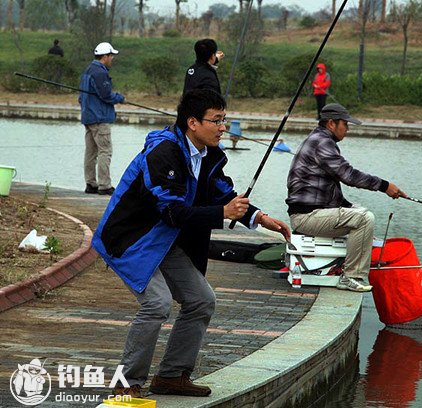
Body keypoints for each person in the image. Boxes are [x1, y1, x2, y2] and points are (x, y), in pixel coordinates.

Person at [92, 88, 290, 398]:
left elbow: (223, 192)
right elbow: (172, 211)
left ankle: (171, 375)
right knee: (157, 303)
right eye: (216, 120)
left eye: (225, 119)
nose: (223, 127)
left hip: (164, 240)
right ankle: (126, 383)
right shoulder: (163, 153)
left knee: (201, 299)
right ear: (193, 123)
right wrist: (220, 214)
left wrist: (260, 218)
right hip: (129, 238)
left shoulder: (208, 155)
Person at [286, 103, 406, 292]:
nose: (347, 129)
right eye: (345, 124)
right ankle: (351, 276)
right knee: (365, 219)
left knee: (358, 212)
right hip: (305, 217)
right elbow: (349, 175)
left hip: (312, 213)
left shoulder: (319, 139)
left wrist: (350, 207)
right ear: (331, 123)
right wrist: (385, 186)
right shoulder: (322, 142)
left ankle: (348, 267)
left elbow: (330, 190)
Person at [79, 42, 125, 196]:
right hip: (99, 119)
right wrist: (119, 98)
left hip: (88, 117)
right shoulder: (100, 72)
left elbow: (81, 98)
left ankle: (90, 183)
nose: (112, 58)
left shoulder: (88, 70)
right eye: (111, 56)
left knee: (90, 152)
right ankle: (104, 185)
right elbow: (106, 95)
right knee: (105, 151)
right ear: (105, 56)